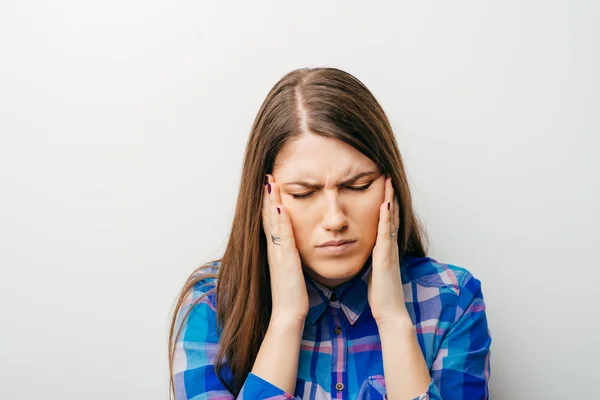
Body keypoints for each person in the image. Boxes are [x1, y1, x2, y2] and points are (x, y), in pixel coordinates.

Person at [168, 67, 492, 400]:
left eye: (358, 186)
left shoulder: (453, 302)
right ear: (265, 196)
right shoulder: (211, 308)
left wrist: (394, 320)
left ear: (389, 185)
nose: (335, 219)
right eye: (304, 193)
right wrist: (286, 320)